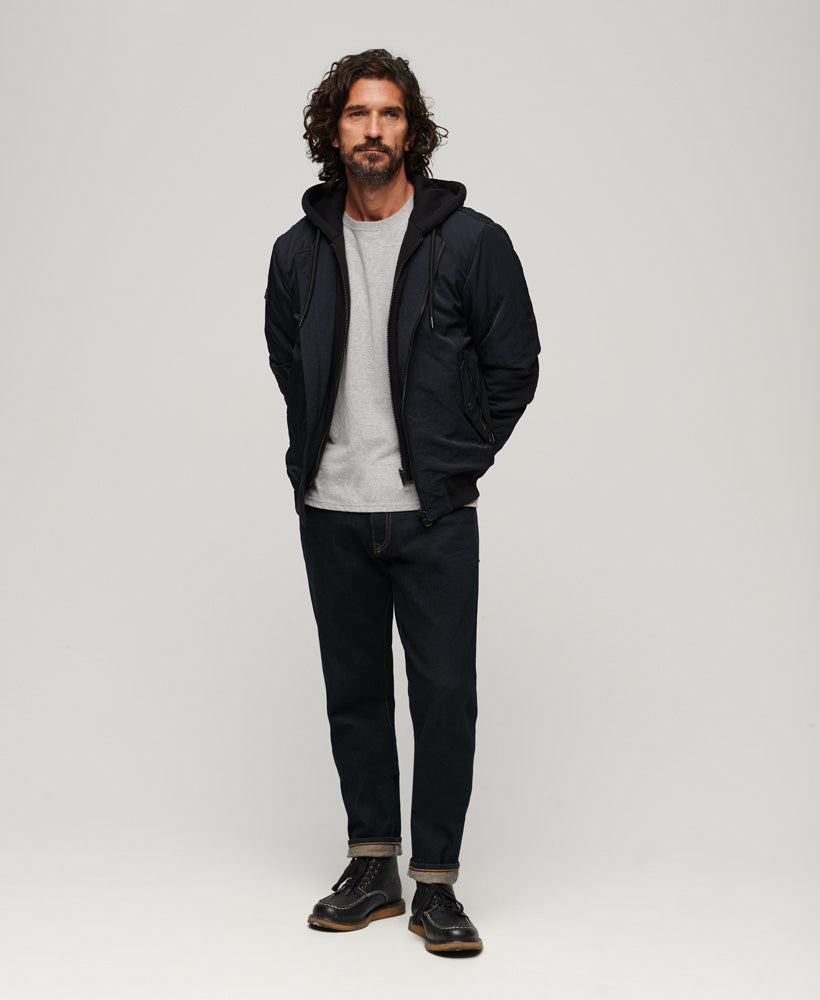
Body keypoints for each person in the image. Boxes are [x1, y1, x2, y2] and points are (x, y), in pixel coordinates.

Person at [263, 48, 539, 956]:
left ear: (412, 130)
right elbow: (287, 360)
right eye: (357, 113)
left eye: (389, 114)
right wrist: (322, 455)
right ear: (332, 130)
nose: (373, 130)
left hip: (432, 515)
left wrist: (455, 460)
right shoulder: (298, 251)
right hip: (332, 509)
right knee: (354, 694)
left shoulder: (471, 242)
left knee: (445, 696)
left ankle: (438, 884)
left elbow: (514, 364)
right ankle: (372, 865)